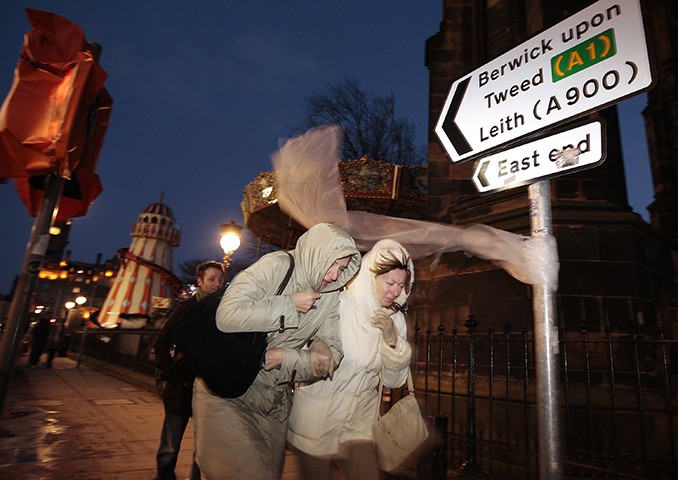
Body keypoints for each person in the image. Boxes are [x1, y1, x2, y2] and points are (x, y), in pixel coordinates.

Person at [192, 222, 361, 480]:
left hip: (273, 403)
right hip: (229, 391)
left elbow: (331, 355)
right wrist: (289, 305)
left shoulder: (330, 296)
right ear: (318, 254)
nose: (336, 275)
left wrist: (286, 358)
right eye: (333, 264)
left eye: (342, 268)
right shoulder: (277, 265)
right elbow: (227, 315)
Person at [287, 239, 415, 479]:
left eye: (401, 284)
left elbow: (396, 381)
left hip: (359, 423)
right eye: (389, 283)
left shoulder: (395, 320)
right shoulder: (339, 304)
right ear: (370, 276)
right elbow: (303, 346)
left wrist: (393, 341)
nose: (395, 291)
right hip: (318, 419)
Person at [153, 261, 225, 480]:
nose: (217, 284)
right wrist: (169, 372)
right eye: (212, 279)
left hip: (210, 387)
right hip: (182, 385)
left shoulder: (225, 309)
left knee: (202, 449)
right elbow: (162, 341)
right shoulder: (185, 308)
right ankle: (164, 477)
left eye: (220, 280)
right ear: (200, 282)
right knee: (170, 445)